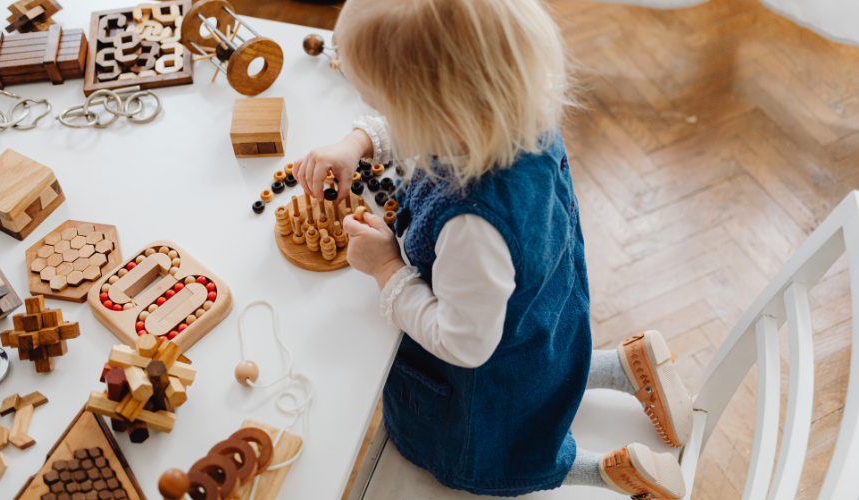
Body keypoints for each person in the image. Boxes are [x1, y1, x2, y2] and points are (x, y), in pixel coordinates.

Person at [292, 0, 693, 497]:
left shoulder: (471, 227)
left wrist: (386, 269)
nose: (383, 117)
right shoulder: (515, 109)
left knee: (500, 454)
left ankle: (605, 470)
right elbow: (426, 121)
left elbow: (463, 344)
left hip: (485, 381)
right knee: (537, 378)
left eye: (387, 108)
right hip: (546, 324)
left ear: (439, 115)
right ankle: (620, 365)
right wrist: (359, 142)